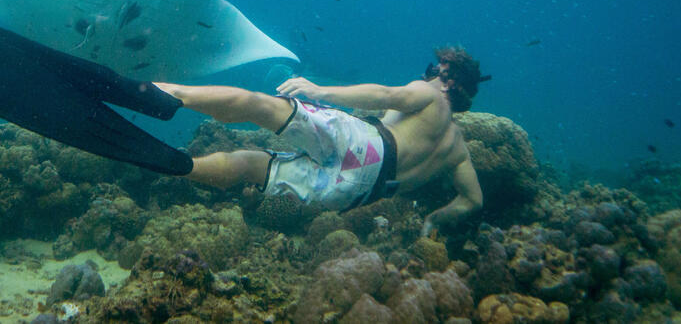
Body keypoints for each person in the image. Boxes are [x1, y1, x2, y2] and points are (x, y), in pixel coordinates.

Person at [154, 46, 487, 234]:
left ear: (448, 80)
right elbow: (473, 200)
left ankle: (163, 93)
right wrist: (433, 221)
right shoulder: (458, 150)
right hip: (356, 193)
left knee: (260, 106)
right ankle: (171, 164)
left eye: (434, 70)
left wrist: (320, 91)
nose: (428, 75)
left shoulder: (432, 94)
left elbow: (388, 95)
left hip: (369, 146)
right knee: (248, 166)